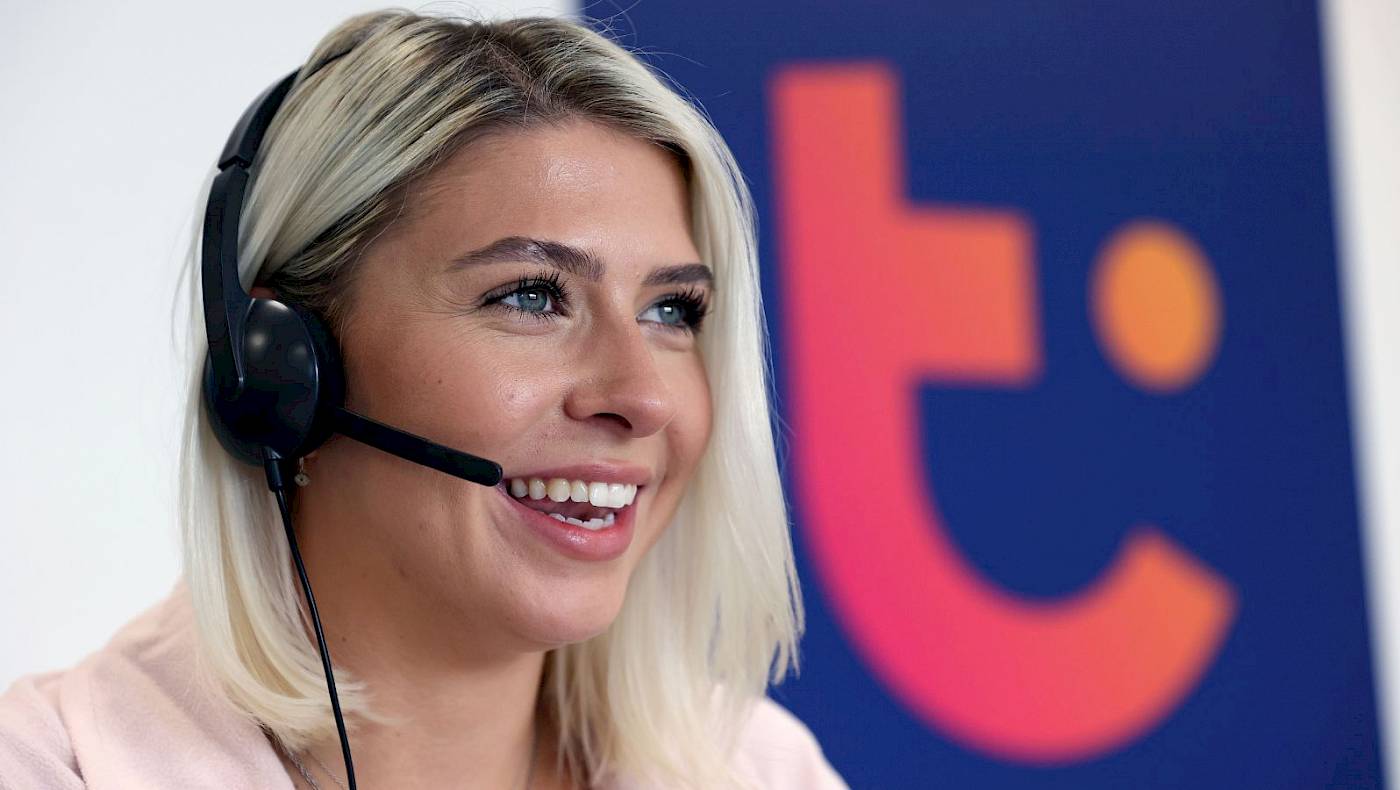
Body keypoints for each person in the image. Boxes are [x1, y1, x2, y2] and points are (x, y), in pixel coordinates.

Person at [0, 9, 847, 789]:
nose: (642, 398)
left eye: (672, 310)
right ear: (283, 368)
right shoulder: (51, 767)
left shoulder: (761, 769)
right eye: (530, 295)